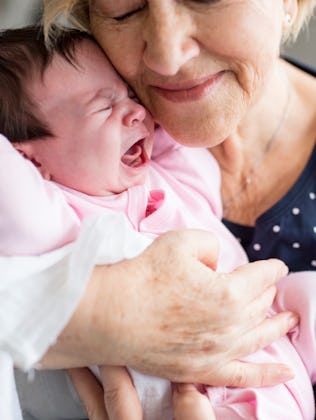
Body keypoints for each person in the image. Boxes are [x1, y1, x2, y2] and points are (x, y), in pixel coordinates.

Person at [0, 26, 315, 420]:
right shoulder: (55, 218)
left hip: (281, 357)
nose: (136, 111)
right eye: (103, 106)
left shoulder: (175, 180)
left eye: (130, 94)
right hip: (210, 403)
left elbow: (176, 125)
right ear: (29, 159)